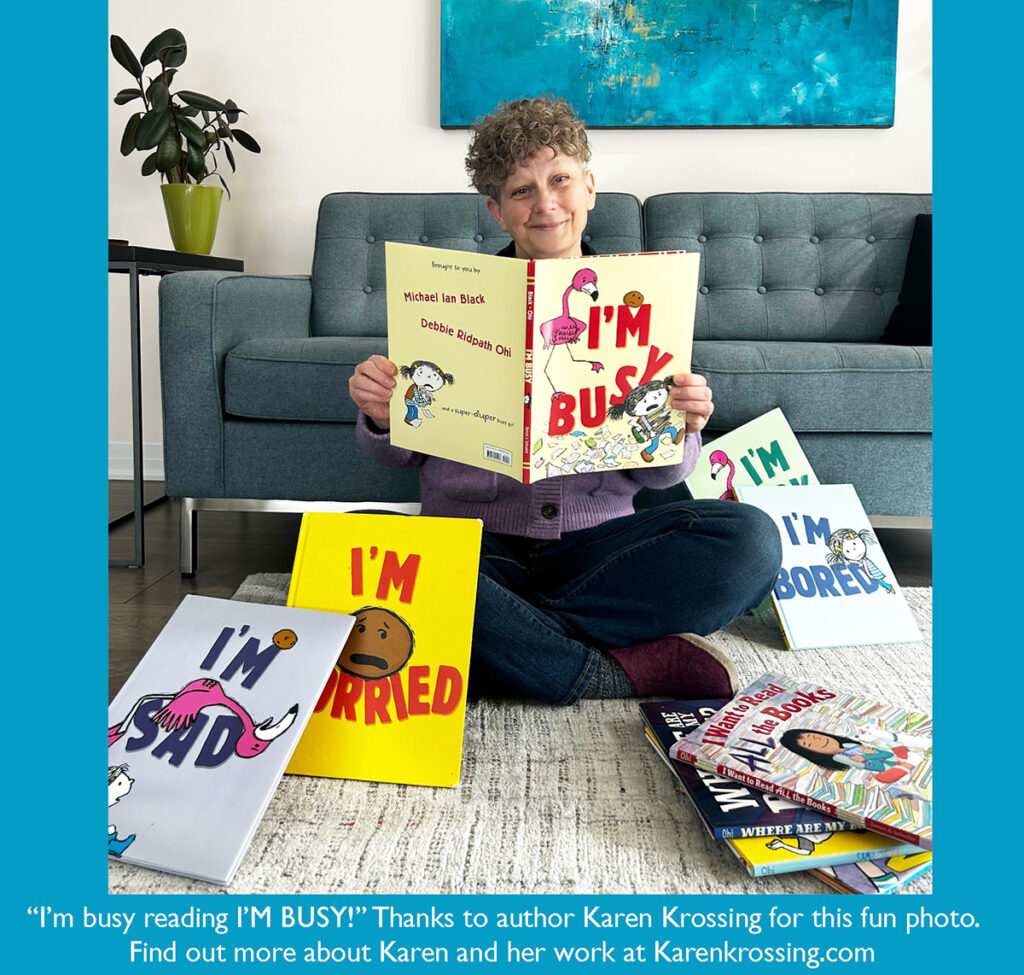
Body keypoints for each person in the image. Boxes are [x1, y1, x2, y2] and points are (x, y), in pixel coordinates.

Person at [348, 96, 782, 705]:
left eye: (559, 180)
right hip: (475, 547)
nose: (545, 204)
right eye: (521, 191)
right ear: (498, 211)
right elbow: (404, 451)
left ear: (590, 188)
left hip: (595, 553)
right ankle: (601, 667)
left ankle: (503, 636)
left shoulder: (642, 300)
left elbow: (661, 477)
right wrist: (381, 414)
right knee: (351, 548)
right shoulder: (448, 299)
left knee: (751, 541)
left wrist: (683, 426)